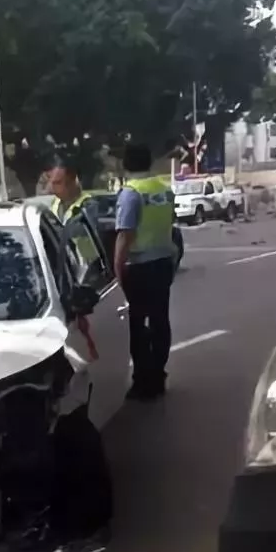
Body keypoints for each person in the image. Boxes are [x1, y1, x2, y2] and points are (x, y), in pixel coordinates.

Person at [114, 143, 176, 401]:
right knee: (161, 320)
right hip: (164, 261)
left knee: (138, 324)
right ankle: (158, 375)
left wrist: (118, 267)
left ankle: (142, 381)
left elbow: (125, 235)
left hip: (139, 266)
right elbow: (170, 223)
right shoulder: (165, 190)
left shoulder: (130, 194)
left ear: (125, 165)